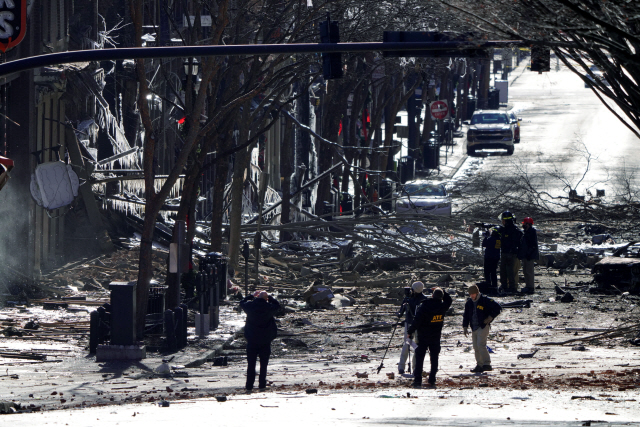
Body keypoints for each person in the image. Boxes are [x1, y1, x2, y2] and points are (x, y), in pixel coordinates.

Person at [406, 287, 452, 388]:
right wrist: (443, 291)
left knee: (419, 359)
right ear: (441, 297)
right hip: (435, 337)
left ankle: (418, 381)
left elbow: (417, 321)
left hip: (423, 337)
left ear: (432, 295)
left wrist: (410, 331)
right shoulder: (442, 306)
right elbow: (449, 300)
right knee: (434, 359)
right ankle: (432, 379)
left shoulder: (425, 306)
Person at [239, 290, 280, 392]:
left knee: (251, 364)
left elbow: (241, 302)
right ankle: (262, 384)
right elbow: (277, 305)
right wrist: (269, 297)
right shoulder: (269, 308)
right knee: (264, 364)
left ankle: (249, 385)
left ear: (257, 297)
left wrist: (251, 296)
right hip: (265, 340)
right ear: (266, 299)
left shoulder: (250, 306)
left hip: (252, 339)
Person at [462, 284, 502, 373]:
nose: (472, 296)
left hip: (483, 326)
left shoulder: (485, 300)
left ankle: (487, 364)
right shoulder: (469, 303)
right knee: (476, 347)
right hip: (474, 328)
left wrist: (490, 317)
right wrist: (465, 327)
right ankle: (479, 365)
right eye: (470, 294)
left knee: (481, 345)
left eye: (473, 294)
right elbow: (466, 316)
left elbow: (498, 308)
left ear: (477, 293)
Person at [396, 281, 427, 375]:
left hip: (411, 325)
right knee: (415, 346)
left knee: (408, 344)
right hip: (418, 326)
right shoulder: (423, 299)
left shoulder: (412, 300)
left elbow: (399, 314)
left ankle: (402, 366)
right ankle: (415, 367)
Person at [497, 211, 522, 292]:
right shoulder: (505, 229)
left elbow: (516, 242)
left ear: (506, 221)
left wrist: (512, 249)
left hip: (511, 254)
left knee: (510, 271)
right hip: (504, 253)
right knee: (503, 271)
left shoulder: (514, 230)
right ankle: (504, 286)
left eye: (503, 220)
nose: (502, 222)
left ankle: (512, 287)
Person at [518, 217, 539, 294]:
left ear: (529, 224)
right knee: (525, 271)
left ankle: (530, 287)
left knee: (529, 271)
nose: (524, 225)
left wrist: (529, 253)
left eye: (525, 224)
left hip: (530, 255)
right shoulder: (526, 232)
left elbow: (533, 245)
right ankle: (528, 286)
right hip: (526, 255)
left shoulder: (531, 232)